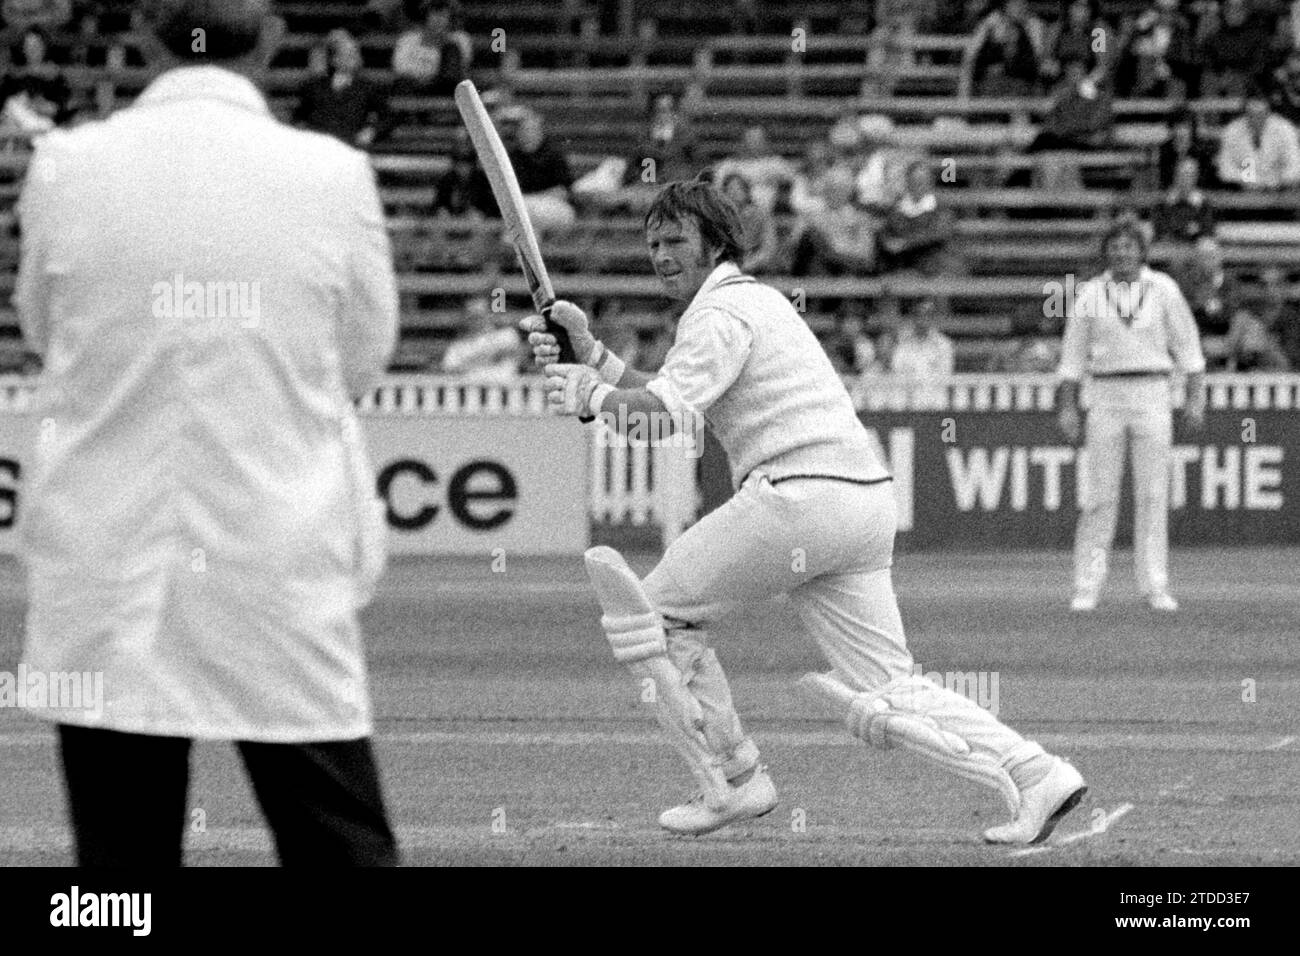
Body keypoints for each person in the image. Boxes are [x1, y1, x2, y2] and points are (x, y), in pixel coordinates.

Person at [520, 179, 1089, 844]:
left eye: (676, 240)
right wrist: (592, 356)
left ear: (715, 244)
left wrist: (589, 396)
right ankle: (1039, 773)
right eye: (652, 244)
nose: (662, 254)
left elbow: (665, 420)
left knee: (656, 615)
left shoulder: (719, 312)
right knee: (894, 684)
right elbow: (673, 395)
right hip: (859, 503)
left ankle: (735, 778)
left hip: (800, 495)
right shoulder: (743, 303)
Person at [14, 0, 400, 866]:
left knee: (119, 872)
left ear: (145, 37)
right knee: (339, 844)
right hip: (277, 553)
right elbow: (362, 360)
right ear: (270, 40)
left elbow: (45, 329)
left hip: (105, 556)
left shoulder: (65, 164)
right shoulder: (331, 172)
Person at [1056, 221, 1206, 614]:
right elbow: (1072, 358)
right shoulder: (1090, 293)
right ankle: (1087, 584)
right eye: (1115, 247)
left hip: (1154, 391)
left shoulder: (1163, 289)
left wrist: (1195, 397)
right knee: (1100, 497)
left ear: (1142, 251)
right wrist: (1068, 406)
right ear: (1106, 252)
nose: (1122, 253)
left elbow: (1188, 348)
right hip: (1105, 394)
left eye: (1129, 247)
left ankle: (1155, 585)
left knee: (1153, 495)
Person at [292, 29, 388, 148]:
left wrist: (371, 131)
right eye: (349, 53)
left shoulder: (368, 87)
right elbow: (299, 117)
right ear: (334, 60)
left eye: (356, 53)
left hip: (350, 147)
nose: (355, 57)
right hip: (317, 148)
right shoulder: (314, 87)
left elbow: (387, 117)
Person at [1215, 90, 1300, 191]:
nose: (1256, 119)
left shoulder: (1285, 129)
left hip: (1280, 190)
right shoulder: (1231, 131)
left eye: (1261, 114)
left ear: (1269, 113)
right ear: (1244, 114)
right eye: (1251, 114)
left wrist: (1278, 181)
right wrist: (1246, 180)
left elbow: (1295, 165)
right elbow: (1225, 168)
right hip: (1243, 189)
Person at [1151, 155, 1216, 243]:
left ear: (1196, 177)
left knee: (1208, 245)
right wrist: (1187, 229)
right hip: (1169, 248)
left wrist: (1192, 230)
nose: (1185, 179)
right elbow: (1160, 229)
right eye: (1182, 174)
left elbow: (1208, 230)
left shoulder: (1204, 205)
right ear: (1175, 176)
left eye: (1189, 175)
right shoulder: (1162, 204)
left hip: (1195, 249)